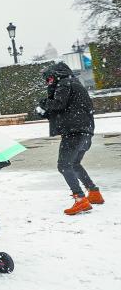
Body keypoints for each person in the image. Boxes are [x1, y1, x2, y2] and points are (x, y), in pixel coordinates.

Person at [36, 62, 104, 215]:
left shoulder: (64, 83)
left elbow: (59, 104)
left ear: (55, 74)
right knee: (74, 163)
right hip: (86, 132)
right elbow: (66, 109)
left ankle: (80, 200)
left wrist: (43, 103)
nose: (48, 82)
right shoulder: (74, 83)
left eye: (49, 79)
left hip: (74, 132)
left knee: (64, 166)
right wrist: (45, 111)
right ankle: (94, 193)